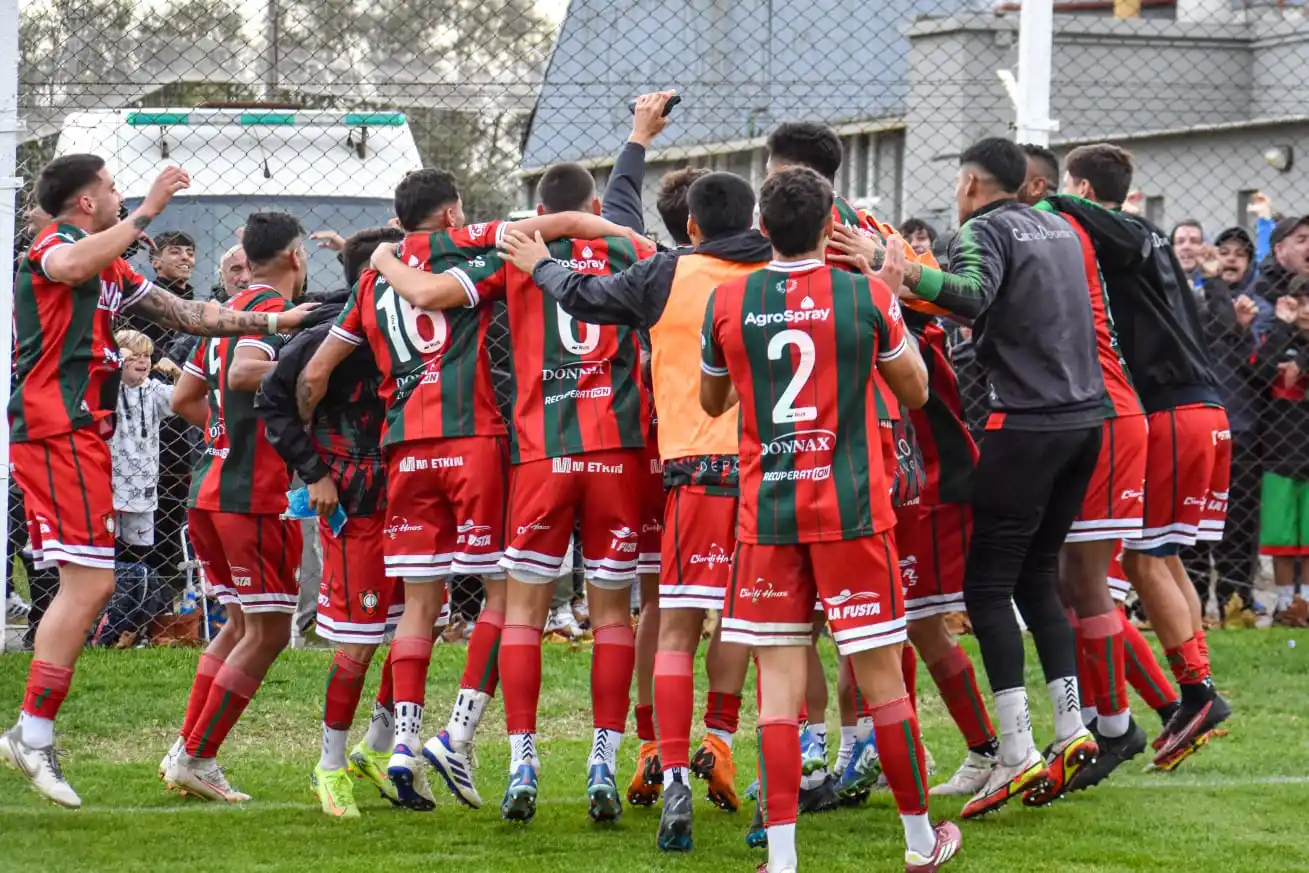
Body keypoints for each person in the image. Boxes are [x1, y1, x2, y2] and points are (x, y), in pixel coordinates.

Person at [304, 168, 639, 815]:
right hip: (491, 441)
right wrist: (628, 235)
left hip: (412, 449)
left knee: (420, 606)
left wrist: (318, 459)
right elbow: (565, 230)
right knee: (515, 598)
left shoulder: (378, 278)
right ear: (451, 212)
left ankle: (405, 744)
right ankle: (464, 731)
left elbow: (316, 372)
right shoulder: (495, 246)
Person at [0, 155, 313, 809]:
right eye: (112, 188)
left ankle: (36, 731)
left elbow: (187, 314)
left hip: (85, 433)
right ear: (86, 201)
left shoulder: (112, 268)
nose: (122, 196)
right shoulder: (56, 245)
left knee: (93, 582)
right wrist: (148, 210)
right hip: (56, 426)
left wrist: (276, 322)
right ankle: (33, 731)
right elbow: (68, 266)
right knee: (92, 583)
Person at [700, 166, 960, 873]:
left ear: (763, 229)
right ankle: (919, 842)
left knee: (780, 693)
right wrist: (885, 312)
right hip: (851, 512)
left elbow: (712, 400)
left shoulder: (728, 299)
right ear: (829, 228)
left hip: (768, 515)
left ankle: (783, 859)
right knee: (882, 683)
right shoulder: (865, 294)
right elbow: (915, 390)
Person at [500, 168, 768, 849]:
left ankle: (665, 765)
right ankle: (749, 761)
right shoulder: (789, 270)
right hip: (775, 471)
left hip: (688, 472)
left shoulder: (664, 271)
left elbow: (584, 295)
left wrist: (538, 262)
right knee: (771, 629)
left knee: (670, 626)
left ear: (693, 227)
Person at [892, 137, 1105, 818]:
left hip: (1029, 423)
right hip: (1085, 422)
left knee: (985, 588)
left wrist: (904, 272)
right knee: (1036, 575)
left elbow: (973, 294)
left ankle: (1014, 752)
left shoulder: (982, 229)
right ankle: (1070, 730)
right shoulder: (1060, 228)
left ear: (970, 184)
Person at [1047, 142, 1232, 772]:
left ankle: (1196, 692)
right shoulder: (1143, 239)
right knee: (1163, 554)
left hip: (1171, 413)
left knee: (1143, 558)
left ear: (1080, 188)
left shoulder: (1125, 232)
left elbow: (1099, 222)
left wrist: (1045, 200)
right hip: (1199, 410)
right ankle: (1195, 691)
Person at [159, 212, 316, 802]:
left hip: (212, 489)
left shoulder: (229, 311)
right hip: (251, 496)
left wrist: (224, 436)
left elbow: (184, 397)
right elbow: (249, 370)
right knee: (269, 631)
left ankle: (186, 747)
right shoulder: (271, 311)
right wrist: (315, 369)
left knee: (242, 625)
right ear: (296, 256)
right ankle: (199, 755)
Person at [254, 227, 404, 816]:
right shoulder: (325, 336)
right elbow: (272, 401)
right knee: (359, 644)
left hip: (410, 499)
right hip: (355, 504)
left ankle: (378, 747)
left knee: (411, 630)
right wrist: (314, 472)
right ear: (375, 277)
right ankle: (329, 764)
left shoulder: (415, 326)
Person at [1016, 144, 1149, 794]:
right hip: (1084, 412)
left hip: (1107, 415)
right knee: (1069, 578)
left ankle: (1116, 725)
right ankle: (1096, 721)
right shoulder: (1055, 226)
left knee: (1088, 579)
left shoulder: (1052, 225)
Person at [1183, 230, 1264, 620]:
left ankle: (1236, 600)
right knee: (1195, 520)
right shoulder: (1196, 301)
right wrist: (1213, 285)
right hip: (1201, 425)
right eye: (1224, 252)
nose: (1230, 259)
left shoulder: (1262, 304)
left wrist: (1244, 330)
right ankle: (1193, 602)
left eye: (1239, 254)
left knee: (1240, 522)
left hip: (1243, 428)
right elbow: (1215, 326)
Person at [1253, 278, 1309, 626]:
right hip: (1279, 452)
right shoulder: (1277, 336)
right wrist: (1283, 327)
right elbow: (1259, 370)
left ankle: (1307, 602)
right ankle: (1286, 604)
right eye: (1301, 302)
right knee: (1281, 535)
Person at [109, 330, 178, 561]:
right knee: (106, 547)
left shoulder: (152, 389)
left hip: (142, 486)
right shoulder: (106, 387)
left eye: (147, 355)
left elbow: (183, 399)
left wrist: (177, 373)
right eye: (135, 355)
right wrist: (114, 363)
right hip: (108, 483)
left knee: (137, 552)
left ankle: (135, 582)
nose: (143, 361)